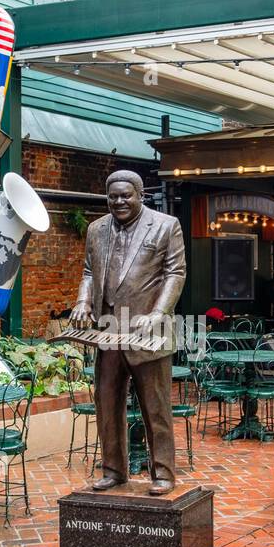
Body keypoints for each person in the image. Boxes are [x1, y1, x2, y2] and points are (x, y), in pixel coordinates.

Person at [70, 170, 186, 496]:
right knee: (107, 404)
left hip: (148, 332)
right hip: (107, 332)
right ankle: (113, 470)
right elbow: (89, 272)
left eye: (126, 195)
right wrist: (82, 301)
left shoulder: (166, 225)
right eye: (113, 196)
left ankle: (163, 473)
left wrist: (158, 313)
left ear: (140, 195)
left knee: (155, 407)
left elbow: (175, 274)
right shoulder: (96, 229)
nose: (119, 201)